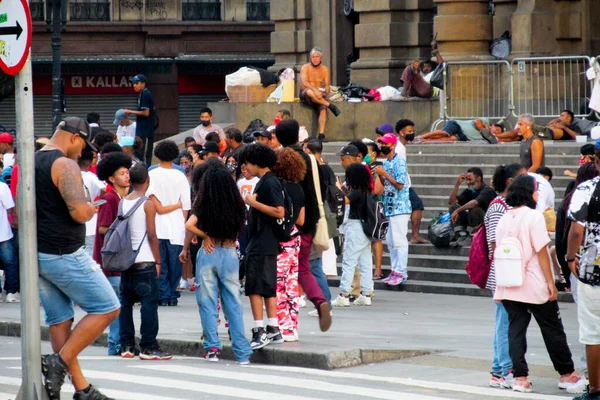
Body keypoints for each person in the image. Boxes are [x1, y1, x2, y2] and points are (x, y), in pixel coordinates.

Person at [36, 117, 119, 399]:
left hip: (38, 252)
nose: (82, 152)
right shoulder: (64, 164)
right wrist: (90, 208)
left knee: (60, 320)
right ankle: (57, 362)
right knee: (108, 307)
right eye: (83, 144)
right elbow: (78, 212)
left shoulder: (32, 161)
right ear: (74, 138)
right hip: (63, 252)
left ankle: (81, 389)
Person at [494, 174, 584, 394]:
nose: (537, 193)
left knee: (515, 330)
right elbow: (542, 252)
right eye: (536, 189)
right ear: (528, 192)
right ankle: (566, 374)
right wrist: (551, 282)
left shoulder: (504, 217)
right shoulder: (534, 217)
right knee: (552, 328)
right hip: (534, 283)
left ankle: (520, 378)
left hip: (509, 283)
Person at [181, 162, 252, 363]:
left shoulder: (204, 204)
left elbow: (189, 224)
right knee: (233, 303)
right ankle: (242, 353)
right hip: (230, 253)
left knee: (207, 302)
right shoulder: (236, 205)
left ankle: (212, 348)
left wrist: (206, 236)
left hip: (208, 253)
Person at [275, 119, 332, 332]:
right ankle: (320, 300)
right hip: (310, 221)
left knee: (283, 272)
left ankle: (281, 320)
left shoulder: (281, 159)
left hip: (287, 224)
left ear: (279, 138)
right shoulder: (311, 159)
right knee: (303, 267)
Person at [118, 163, 172, 361]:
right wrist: (158, 261)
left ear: (130, 181)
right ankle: (148, 346)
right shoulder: (147, 203)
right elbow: (151, 235)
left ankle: (127, 345)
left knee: (125, 304)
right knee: (149, 304)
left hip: (126, 261)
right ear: (147, 181)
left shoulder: (123, 202)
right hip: (145, 261)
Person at [483, 163, 527, 389]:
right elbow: (495, 244)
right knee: (505, 323)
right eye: (523, 178)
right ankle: (503, 370)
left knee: (505, 321)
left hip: (508, 272)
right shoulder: (499, 207)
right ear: (511, 181)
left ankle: (498, 370)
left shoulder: (507, 206)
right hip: (503, 272)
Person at [239, 143, 285, 349]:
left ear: (257, 162)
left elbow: (279, 211)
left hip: (261, 242)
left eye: (247, 162)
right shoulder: (266, 181)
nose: (245, 166)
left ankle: (260, 331)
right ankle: (273, 328)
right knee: (266, 286)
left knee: (255, 287)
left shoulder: (269, 183)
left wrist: (252, 202)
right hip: (264, 241)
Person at [567, 145, 600, 399]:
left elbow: (576, 231)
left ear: (596, 160)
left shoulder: (587, 189)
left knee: (593, 332)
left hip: (593, 270)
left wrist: (570, 258)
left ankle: (596, 389)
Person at [94, 152, 133, 356]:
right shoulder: (110, 198)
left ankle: (117, 342)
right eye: (121, 173)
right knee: (116, 305)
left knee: (121, 303)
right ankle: (114, 343)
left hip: (122, 260)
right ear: (111, 178)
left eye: (127, 172)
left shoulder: (125, 197)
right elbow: (102, 228)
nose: (127, 176)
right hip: (110, 261)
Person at [147, 140, 191, 306]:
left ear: (157, 155)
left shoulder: (151, 174)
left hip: (156, 225)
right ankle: (172, 294)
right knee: (175, 263)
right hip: (177, 225)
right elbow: (186, 205)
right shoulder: (180, 176)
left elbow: (149, 200)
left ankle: (163, 295)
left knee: (160, 262)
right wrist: (184, 224)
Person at [272, 148, 306, 341]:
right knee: (291, 284)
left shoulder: (278, 187)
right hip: (295, 237)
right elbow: (301, 220)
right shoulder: (299, 188)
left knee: (278, 284)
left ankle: (283, 327)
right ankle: (292, 326)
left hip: (280, 239)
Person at [331, 163, 374, 306]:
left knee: (349, 261)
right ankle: (366, 294)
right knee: (365, 262)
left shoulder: (357, 191)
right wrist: (342, 189)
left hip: (356, 227)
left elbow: (345, 201)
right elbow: (350, 197)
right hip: (366, 229)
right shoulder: (366, 190)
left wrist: (337, 190)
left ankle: (343, 294)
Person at [374, 134, 412, 285]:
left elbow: (400, 184)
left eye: (385, 144)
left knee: (399, 241)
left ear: (392, 145)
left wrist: (384, 174)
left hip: (400, 207)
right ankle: (394, 270)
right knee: (390, 242)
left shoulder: (399, 162)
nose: (382, 147)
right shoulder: (386, 162)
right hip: (389, 207)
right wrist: (381, 176)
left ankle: (401, 271)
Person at [394, 120, 429, 244]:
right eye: (409, 131)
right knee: (417, 205)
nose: (412, 133)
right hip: (402, 185)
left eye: (413, 131)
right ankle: (415, 236)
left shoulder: (400, 146)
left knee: (416, 206)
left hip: (404, 184)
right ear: (401, 132)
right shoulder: (398, 148)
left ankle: (415, 235)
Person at [299, 47, 341, 142]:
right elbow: (304, 82)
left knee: (323, 109)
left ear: (321, 58)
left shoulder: (325, 69)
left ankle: (321, 134)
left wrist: (324, 91)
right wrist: (315, 90)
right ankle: (330, 105)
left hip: (319, 96)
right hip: (306, 94)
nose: (315, 59)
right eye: (313, 57)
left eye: (317, 57)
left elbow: (327, 86)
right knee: (310, 92)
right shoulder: (305, 67)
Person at [448, 167, 496, 238]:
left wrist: (458, 210)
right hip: (473, 220)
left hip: (488, 223)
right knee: (453, 207)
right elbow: (451, 202)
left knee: (474, 209)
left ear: (479, 178)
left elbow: (475, 203)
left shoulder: (487, 190)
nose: (468, 182)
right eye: (467, 180)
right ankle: (461, 235)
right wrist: (457, 184)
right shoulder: (470, 191)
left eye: (470, 180)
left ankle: (472, 236)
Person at [78, 151, 106, 258]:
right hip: (90, 222)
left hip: (74, 223)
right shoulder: (91, 176)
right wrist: (98, 204)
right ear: (90, 162)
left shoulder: (69, 175)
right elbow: (103, 188)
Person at [124, 74, 155, 164]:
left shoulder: (146, 94)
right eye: (133, 83)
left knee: (144, 156)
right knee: (139, 154)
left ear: (143, 84)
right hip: (142, 130)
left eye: (137, 83)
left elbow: (146, 113)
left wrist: (131, 111)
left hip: (146, 131)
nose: (134, 85)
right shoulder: (142, 94)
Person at [0, 173, 18, 303]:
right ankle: (11, 292)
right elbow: (10, 208)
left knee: (10, 263)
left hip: (4, 233)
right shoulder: (2, 187)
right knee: (10, 263)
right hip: (3, 233)